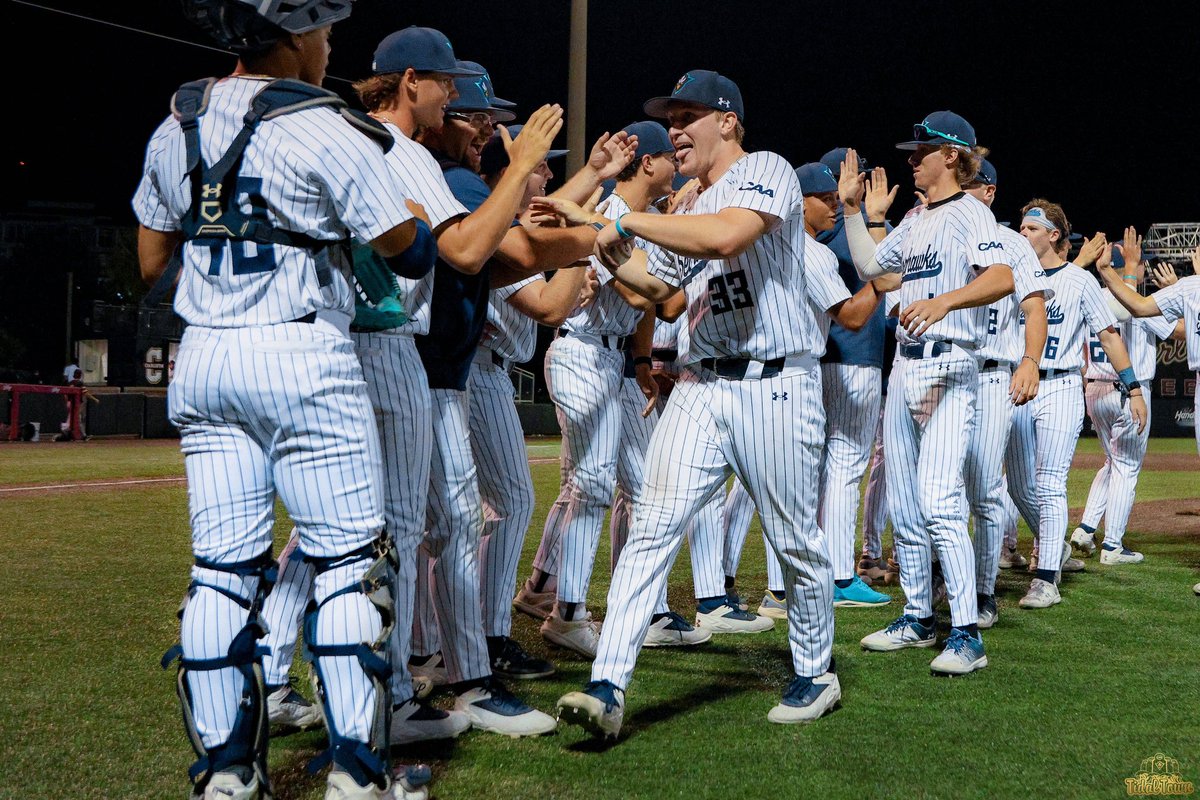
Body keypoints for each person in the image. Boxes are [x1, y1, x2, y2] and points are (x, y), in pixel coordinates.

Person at [133, 2, 435, 798]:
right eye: (325, 32)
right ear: (295, 34)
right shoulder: (322, 123)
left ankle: (227, 778)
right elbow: (408, 251)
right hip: (302, 349)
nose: (329, 45)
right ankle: (356, 777)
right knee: (348, 566)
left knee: (221, 574)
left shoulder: (178, 121)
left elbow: (150, 256)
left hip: (202, 355)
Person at [556, 69, 839, 737]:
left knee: (795, 540)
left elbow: (726, 237)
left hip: (776, 382)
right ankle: (607, 685)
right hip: (701, 384)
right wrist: (604, 244)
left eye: (689, 117)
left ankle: (815, 670)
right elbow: (657, 292)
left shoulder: (765, 168)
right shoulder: (686, 206)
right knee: (652, 525)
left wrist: (620, 216)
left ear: (728, 123)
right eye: (670, 117)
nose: (675, 129)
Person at [405, 74, 631, 736]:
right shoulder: (465, 185)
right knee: (449, 516)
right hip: (449, 365)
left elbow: (530, 230)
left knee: (419, 523)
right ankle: (472, 646)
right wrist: (599, 239)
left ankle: (436, 655)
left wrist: (590, 203)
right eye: (479, 118)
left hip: (447, 364)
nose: (489, 131)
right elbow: (540, 282)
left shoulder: (465, 183)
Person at [518, 121, 717, 653]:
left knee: (645, 485)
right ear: (648, 164)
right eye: (669, 157)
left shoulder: (642, 218)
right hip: (583, 350)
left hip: (613, 359)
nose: (676, 165)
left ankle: (644, 609)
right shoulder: (606, 213)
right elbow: (638, 297)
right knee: (593, 486)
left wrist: (641, 361)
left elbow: (648, 305)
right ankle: (568, 613)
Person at [844, 112, 1015, 675]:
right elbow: (872, 266)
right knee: (906, 503)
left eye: (922, 150)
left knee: (942, 499)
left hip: (951, 365)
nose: (911, 157)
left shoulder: (973, 213)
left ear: (953, 157)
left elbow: (1001, 278)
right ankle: (918, 617)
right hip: (905, 370)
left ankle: (967, 632)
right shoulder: (916, 219)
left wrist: (944, 301)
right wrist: (854, 213)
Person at [1005, 201, 1146, 610]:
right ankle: (1056, 548)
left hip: (1061, 385)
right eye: (1021, 227)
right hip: (1017, 385)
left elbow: (1109, 335)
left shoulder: (1078, 281)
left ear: (1053, 236)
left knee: (1049, 483)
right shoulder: (1010, 277)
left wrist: (1134, 388)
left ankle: (1046, 579)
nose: (1023, 233)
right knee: (1018, 485)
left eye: (1032, 228)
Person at [957, 159, 1050, 627]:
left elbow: (1036, 309)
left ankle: (982, 590)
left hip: (994, 373)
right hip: (947, 371)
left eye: (970, 184)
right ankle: (944, 580)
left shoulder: (1014, 245)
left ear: (989, 192)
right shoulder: (941, 232)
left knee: (985, 487)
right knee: (938, 487)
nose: (961, 190)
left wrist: (1029, 362)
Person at [1072, 234, 1176, 564]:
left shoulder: (1091, 297)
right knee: (1127, 467)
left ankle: (1086, 528)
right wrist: (1175, 292)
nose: (1143, 266)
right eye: (1139, 262)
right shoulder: (1134, 300)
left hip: (1094, 388)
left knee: (1112, 462)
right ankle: (1113, 545)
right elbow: (1177, 330)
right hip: (1127, 390)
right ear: (1122, 268)